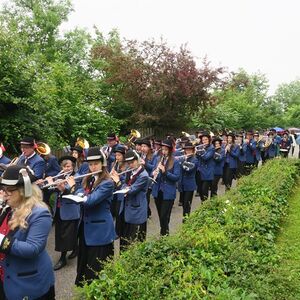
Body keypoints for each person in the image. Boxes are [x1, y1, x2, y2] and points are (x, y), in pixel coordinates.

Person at [0, 165, 54, 299]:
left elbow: (33, 248)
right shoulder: (10, 207)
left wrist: (1, 240)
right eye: (3, 190)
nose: (4, 194)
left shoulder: (40, 213)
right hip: (5, 276)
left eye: (10, 190)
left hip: (27, 282)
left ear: (25, 191)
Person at [72, 147, 116, 287]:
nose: (93, 167)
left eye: (96, 164)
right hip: (86, 228)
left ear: (102, 164)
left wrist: (74, 190)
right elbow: (81, 190)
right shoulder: (89, 179)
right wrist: (72, 189)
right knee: (85, 263)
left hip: (100, 231)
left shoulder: (107, 183)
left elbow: (90, 201)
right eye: (90, 164)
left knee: (96, 268)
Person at [112, 150, 149, 249]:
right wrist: (122, 184)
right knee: (124, 237)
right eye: (129, 163)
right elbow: (125, 183)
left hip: (136, 209)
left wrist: (118, 182)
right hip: (126, 207)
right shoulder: (130, 171)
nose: (131, 165)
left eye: (132, 162)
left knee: (134, 239)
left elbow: (132, 190)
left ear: (138, 160)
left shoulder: (144, 175)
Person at [51, 155, 80, 271]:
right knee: (60, 233)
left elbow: (75, 191)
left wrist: (64, 189)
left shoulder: (77, 177)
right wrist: (50, 182)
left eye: (68, 166)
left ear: (73, 167)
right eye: (64, 166)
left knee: (67, 233)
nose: (66, 168)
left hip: (70, 209)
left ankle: (63, 258)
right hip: (58, 209)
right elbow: (52, 190)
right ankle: (75, 248)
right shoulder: (60, 175)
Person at [151, 139, 180, 236]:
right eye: (162, 150)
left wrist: (165, 172)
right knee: (161, 215)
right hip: (157, 190)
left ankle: (164, 233)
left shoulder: (175, 161)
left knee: (164, 215)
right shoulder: (157, 159)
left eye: (166, 150)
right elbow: (153, 171)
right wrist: (154, 173)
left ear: (170, 150)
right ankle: (164, 232)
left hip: (168, 191)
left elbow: (176, 177)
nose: (164, 152)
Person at [177, 142, 198, 221]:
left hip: (189, 185)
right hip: (182, 183)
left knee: (187, 204)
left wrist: (182, 161)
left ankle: (186, 221)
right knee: (183, 204)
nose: (188, 151)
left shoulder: (195, 160)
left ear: (192, 150)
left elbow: (188, 169)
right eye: (186, 150)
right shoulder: (183, 158)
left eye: (189, 150)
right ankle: (185, 218)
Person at [195, 132, 215, 201]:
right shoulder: (200, 147)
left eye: (206, 140)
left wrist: (198, 152)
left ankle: (206, 204)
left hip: (207, 172)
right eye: (203, 140)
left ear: (209, 140)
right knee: (200, 190)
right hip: (199, 171)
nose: (204, 141)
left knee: (204, 190)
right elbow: (197, 159)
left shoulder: (212, 148)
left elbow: (206, 157)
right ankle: (203, 203)